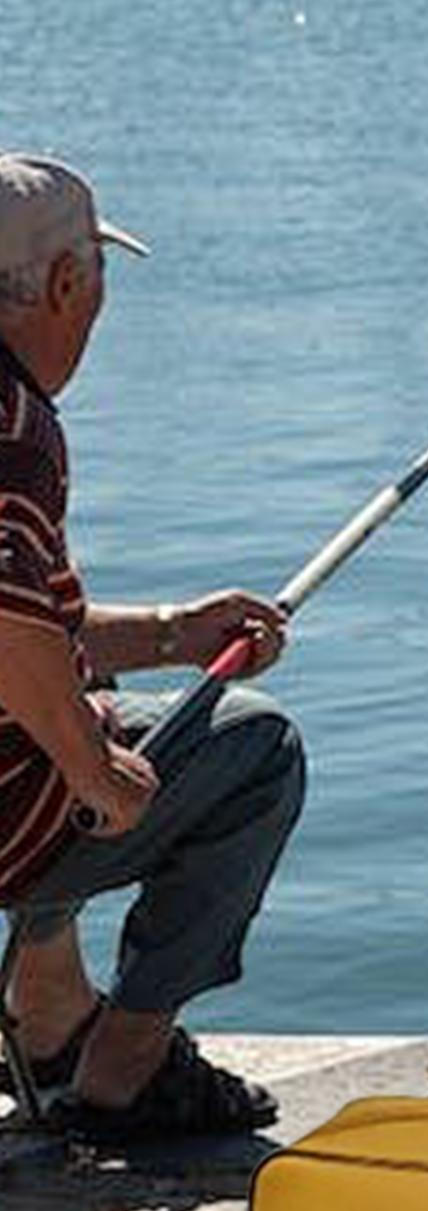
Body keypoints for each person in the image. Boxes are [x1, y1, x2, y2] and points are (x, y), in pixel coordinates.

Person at [0, 151, 303, 1140]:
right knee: (257, 750)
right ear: (62, 284)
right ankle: (124, 1072)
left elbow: (34, 626)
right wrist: (92, 772)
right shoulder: (12, 428)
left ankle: (48, 1015)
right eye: (97, 274)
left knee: (77, 720)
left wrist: (174, 632)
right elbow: (5, 621)